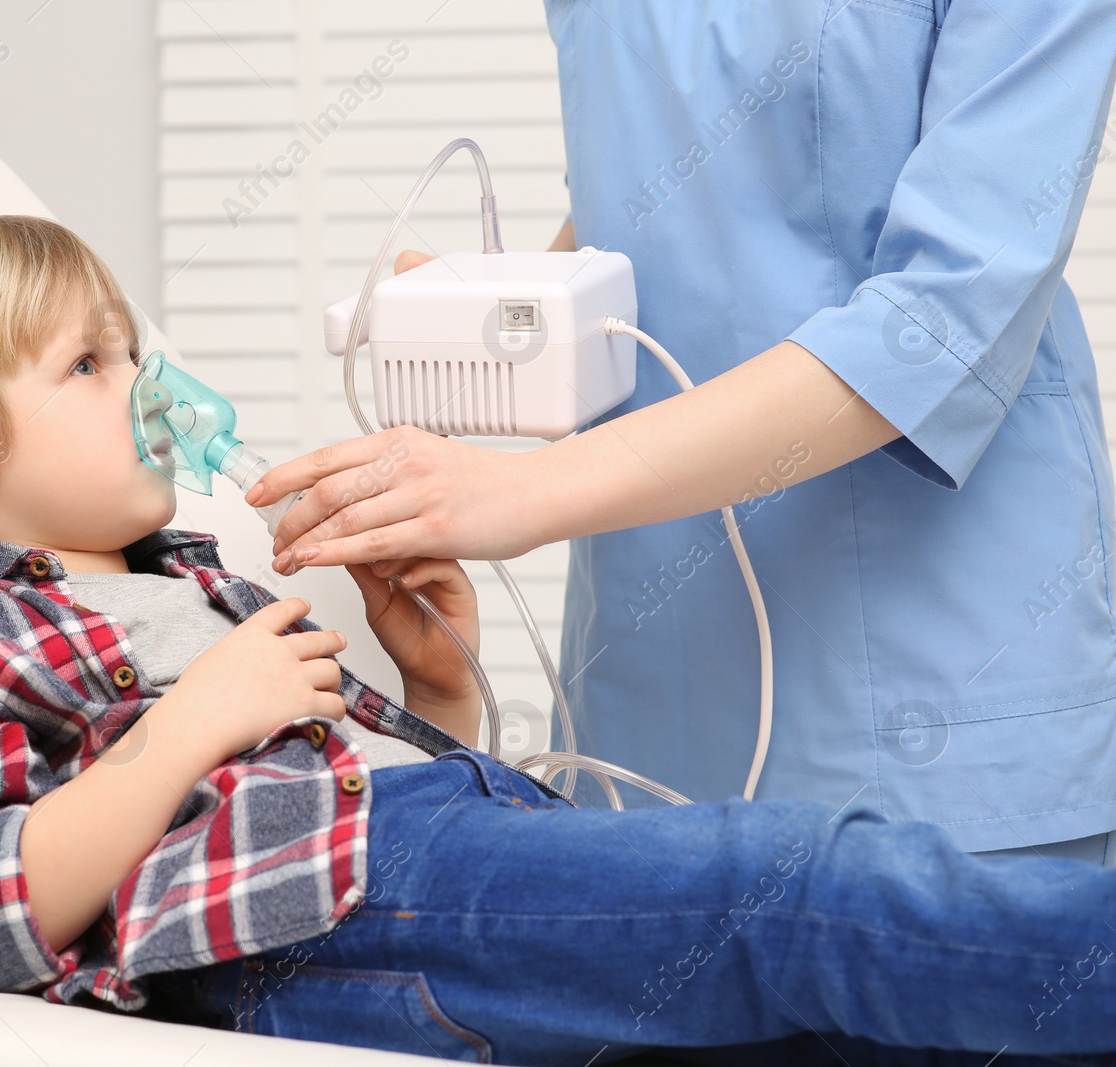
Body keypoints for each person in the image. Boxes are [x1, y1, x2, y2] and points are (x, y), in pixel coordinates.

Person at [0, 214, 1116, 1065]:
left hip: (401, 874)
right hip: (313, 930)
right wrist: (195, 719)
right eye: (90, 365)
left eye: (129, 348)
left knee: (830, 1020)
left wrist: (436, 688)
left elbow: (339, 805)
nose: (148, 385)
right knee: (794, 884)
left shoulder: (187, 581)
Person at [245, 0, 1116, 864]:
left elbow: (944, 311)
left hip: (934, 668)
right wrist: (505, 313)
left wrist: (521, 493)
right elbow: (663, 206)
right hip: (650, 666)